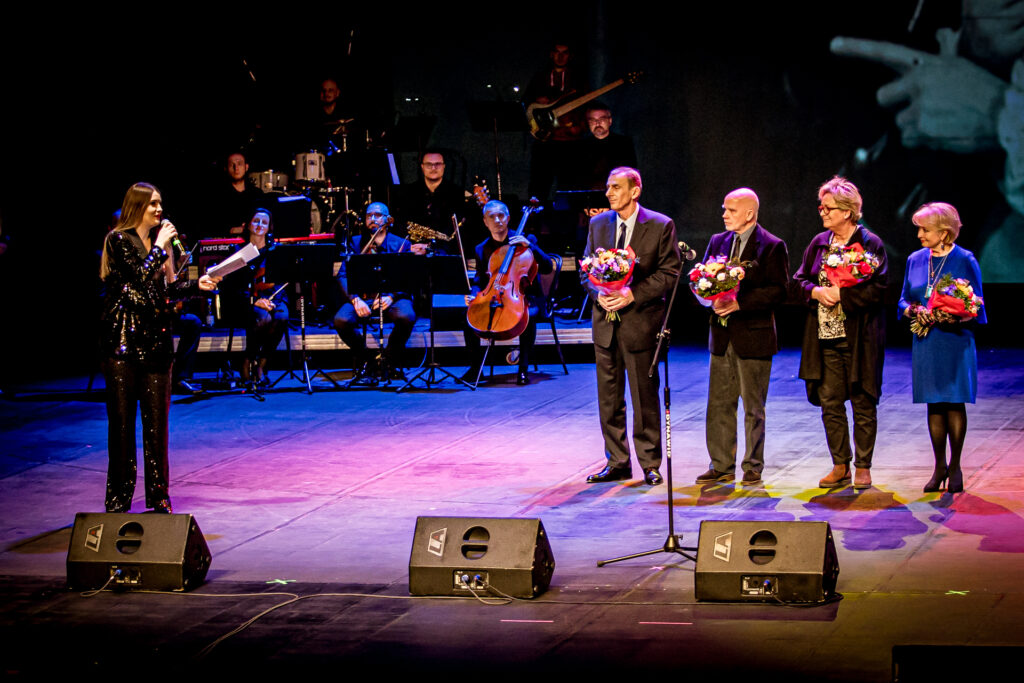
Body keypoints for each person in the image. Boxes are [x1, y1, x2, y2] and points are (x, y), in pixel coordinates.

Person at [99, 183, 219, 513]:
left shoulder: (156, 246)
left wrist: (197, 284)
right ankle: (118, 499)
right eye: (152, 204)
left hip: (156, 344)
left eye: (160, 203)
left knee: (157, 427)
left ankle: (159, 495)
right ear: (137, 206)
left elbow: (163, 291)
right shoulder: (119, 240)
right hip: (123, 345)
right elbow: (136, 284)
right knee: (122, 426)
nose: (158, 209)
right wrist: (161, 247)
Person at [582, 168, 681, 486]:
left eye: (616, 187)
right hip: (605, 324)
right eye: (608, 187)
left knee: (643, 395)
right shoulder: (598, 224)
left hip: (640, 324)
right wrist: (599, 293)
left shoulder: (659, 225)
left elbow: (670, 272)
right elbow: (586, 270)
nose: (609, 193)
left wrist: (630, 294)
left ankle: (650, 462)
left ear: (634, 191)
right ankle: (617, 461)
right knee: (608, 397)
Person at [793, 177, 887, 490]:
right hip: (825, 337)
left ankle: (863, 466)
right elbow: (799, 281)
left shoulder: (869, 244)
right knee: (830, 401)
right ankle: (840, 464)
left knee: (862, 402)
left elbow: (881, 289)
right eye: (821, 206)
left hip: (859, 337)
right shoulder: (819, 242)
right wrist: (817, 291)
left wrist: (844, 296)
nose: (822, 212)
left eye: (828, 207)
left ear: (847, 212)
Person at [697, 188, 789, 485]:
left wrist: (740, 303)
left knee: (753, 407)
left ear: (749, 214)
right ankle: (721, 464)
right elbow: (705, 279)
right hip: (722, 336)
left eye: (731, 210)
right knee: (719, 404)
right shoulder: (718, 241)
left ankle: (752, 465)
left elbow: (779, 291)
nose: (724, 215)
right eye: (724, 209)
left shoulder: (772, 246)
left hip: (754, 336)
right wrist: (708, 296)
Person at [898, 202, 986, 493]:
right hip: (927, 341)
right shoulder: (915, 259)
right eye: (919, 229)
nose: (920, 235)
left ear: (944, 232)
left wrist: (955, 314)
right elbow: (902, 300)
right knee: (934, 403)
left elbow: (976, 305)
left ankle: (956, 466)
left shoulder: (965, 259)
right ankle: (939, 467)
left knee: (954, 400)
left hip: (955, 340)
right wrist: (913, 310)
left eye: (925, 230)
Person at [463, 200, 553, 385]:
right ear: (485, 221)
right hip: (493, 295)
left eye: (501, 216)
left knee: (527, 316)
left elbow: (547, 266)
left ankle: (523, 369)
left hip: (526, 296)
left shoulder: (526, 240)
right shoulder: (481, 248)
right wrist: (474, 294)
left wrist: (530, 246)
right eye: (492, 217)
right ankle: (475, 368)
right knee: (469, 317)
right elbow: (480, 279)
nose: (497, 220)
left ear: (508, 218)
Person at [333, 202, 417, 379]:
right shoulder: (355, 243)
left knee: (406, 316)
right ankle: (368, 359)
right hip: (363, 297)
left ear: (388, 220)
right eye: (369, 216)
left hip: (392, 297)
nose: (372, 219)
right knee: (341, 320)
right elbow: (342, 275)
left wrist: (391, 297)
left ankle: (389, 358)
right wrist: (355, 300)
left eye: (377, 215)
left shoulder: (401, 244)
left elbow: (408, 278)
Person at [224, 208, 290, 388]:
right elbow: (233, 287)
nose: (260, 225)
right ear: (248, 225)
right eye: (256, 221)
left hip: (273, 298)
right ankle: (247, 359)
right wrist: (255, 301)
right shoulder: (239, 251)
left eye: (264, 223)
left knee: (282, 317)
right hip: (245, 301)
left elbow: (280, 282)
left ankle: (262, 363)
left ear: (269, 228)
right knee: (263, 318)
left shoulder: (274, 251)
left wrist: (273, 300)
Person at [394, 149, 468, 255]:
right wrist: (409, 246)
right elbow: (400, 224)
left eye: (437, 164)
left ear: (444, 166)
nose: (433, 168)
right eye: (429, 164)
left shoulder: (456, 193)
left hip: (445, 252)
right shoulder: (408, 193)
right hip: (414, 252)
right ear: (422, 167)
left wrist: (431, 246)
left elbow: (457, 230)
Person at [574, 102, 638, 191]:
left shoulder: (623, 143)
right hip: (589, 197)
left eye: (602, 119)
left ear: (610, 121)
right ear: (588, 123)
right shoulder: (579, 147)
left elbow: (630, 173)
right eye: (593, 120)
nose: (597, 123)